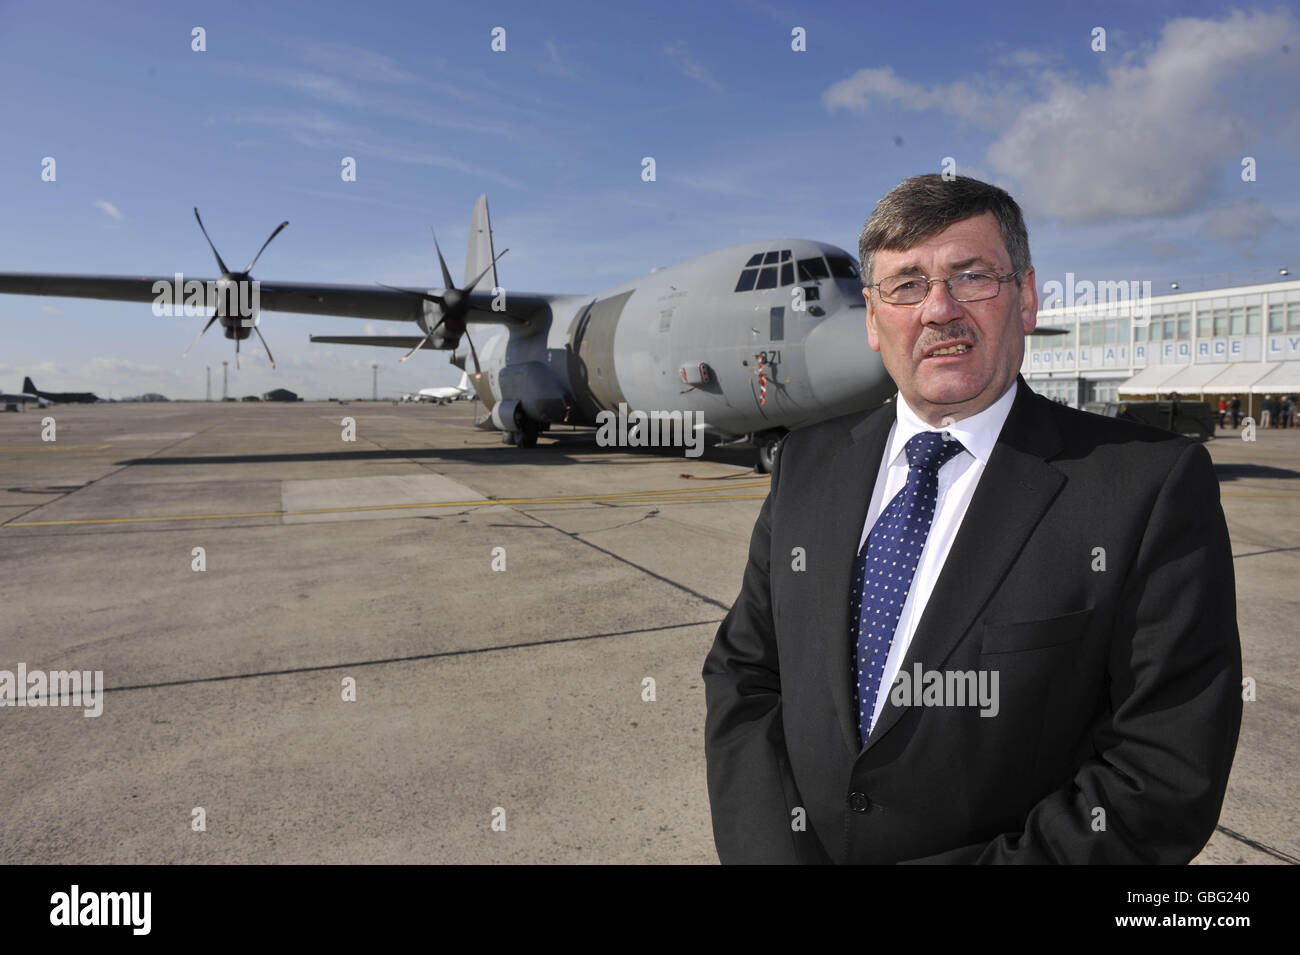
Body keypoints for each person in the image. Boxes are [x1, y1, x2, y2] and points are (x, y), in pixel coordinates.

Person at [703, 174, 1242, 864]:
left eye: (972, 276)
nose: (939, 309)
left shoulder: (1148, 488)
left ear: (1025, 298)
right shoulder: (806, 464)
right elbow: (745, 673)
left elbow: (1160, 775)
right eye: (905, 285)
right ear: (872, 319)